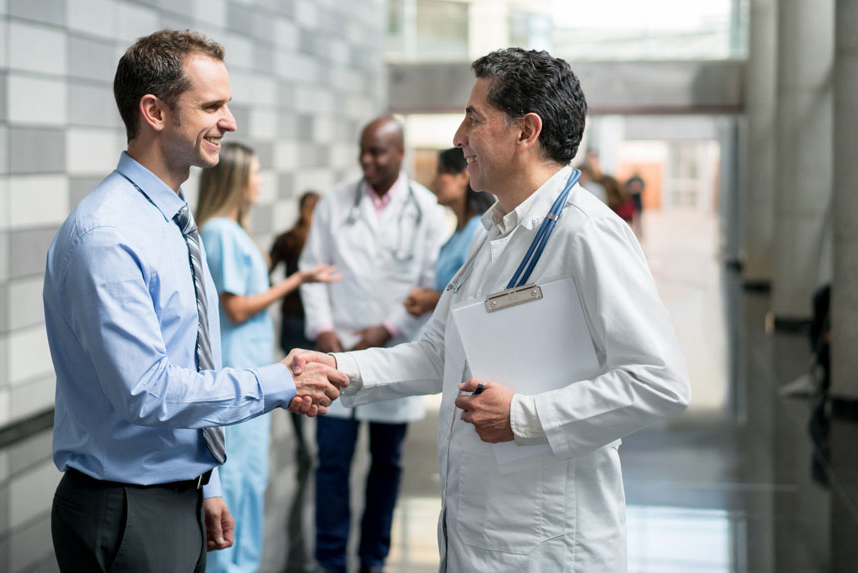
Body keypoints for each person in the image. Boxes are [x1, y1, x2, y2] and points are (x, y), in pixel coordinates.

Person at [294, 48, 691, 571]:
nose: (458, 137)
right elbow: (440, 354)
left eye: (473, 119)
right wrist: (341, 368)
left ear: (526, 131)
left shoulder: (588, 234)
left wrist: (525, 416)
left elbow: (659, 381)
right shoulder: (496, 231)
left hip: (547, 544)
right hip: (479, 533)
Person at [43, 29, 346, 572]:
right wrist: (280, 381)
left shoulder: (174, 222)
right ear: (154, 111)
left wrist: (206, 480)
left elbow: (191, 358)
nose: (229, 123)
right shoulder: (109, 235)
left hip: (174, 495)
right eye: (212, 106)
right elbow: (148, 391)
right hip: (128, 509)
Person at [299, 115, 447, 573]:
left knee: (387, 464)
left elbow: (429, 285)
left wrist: (388, 329)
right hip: (336, 351)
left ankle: (373, 559)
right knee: (333, 462)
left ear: (400, 153)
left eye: (377, 152)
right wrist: (323, 331)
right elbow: (311, 271)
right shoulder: (334, 203)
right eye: (363, 150)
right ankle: (329, 560)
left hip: (392, 353)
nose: (367, 160)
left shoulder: (426, 210)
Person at [195, 144, 339, 573]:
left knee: (250, 476)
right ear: (236, 181)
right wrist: (295, 279)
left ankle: (242, 563)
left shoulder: (233, 231)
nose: (259, 182)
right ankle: (229, 566)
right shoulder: (220, 232)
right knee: (235, 477)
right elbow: (236, 308)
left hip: (254, 369)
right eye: (255, 174)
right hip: (238, 370)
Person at [403, 147, 494, 317]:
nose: (433, 183)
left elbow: (480, 298)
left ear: (464, 176)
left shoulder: (479, 230)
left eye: (441, 172)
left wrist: (434, 300)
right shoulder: (458, 233)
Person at [270, 190, 322, 463]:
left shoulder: (287, 239)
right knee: (321, 381)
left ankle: (303, 444)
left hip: (293, 318)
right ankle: (315, 443)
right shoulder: (323, 242)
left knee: (295, 384)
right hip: (316, 322)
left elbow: (264, 273)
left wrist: (278, 292)